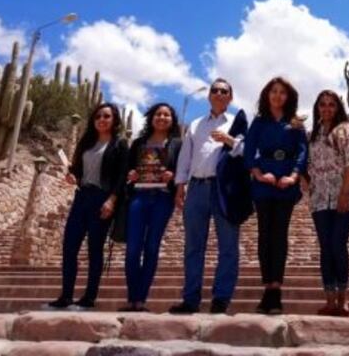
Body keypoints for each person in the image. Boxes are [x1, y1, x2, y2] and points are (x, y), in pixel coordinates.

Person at [168, 79, 246, 315]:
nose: (219, 94)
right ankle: (190, 298)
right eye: (215, 90)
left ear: (230, 97)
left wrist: (230, 141)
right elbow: (185, 156)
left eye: (225, 91)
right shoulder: (195, 124)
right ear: (209, 96)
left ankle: (221, 299)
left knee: (228, 245)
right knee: (193, 246)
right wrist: (180, 184)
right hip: (197, 188)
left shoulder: (237, 122)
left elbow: (247, 151)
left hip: (224, 189)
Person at [46, 102, 129, 310]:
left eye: (107, 116)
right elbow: (77, 169)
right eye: (98, 116)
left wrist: (112, 200)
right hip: (82, 197)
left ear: (114, 120)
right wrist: (72, 175)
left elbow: (121, 177)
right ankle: (66, 296)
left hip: (102, 199)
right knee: (69, 247)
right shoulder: (86, 142)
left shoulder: (119, 144)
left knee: (94, 250)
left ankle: (89, 297)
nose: (102, 119)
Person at [244, 76, 308, 315]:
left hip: (286, 183)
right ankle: (266, 287)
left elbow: (303, 152)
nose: (278, 95)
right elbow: (249, 149)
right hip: (264, 182)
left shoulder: (295, 124)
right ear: (267, 95)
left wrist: (293, 176)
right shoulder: (259, 122)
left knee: (280, 234)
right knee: (264, 234)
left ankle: (276, 289)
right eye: (274, 91)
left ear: (288, 97)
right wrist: (259, 174)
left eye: (282, 92)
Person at [120, 103, 182, 312]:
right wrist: (132, 174)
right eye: (158, 114)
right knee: (133, 248)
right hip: (139, 196)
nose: (162, 117)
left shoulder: (177, 144)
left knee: (152, 248)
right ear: (152, 117)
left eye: (166, 114)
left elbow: (182, 169)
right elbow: (128, 169)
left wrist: (172, 175)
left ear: (172, 119)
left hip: (163, 199)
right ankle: (131, 297)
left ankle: (141, 300)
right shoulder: (139, 143)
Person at [303, 90, 349, 316]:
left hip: (342, 196)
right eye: (322, 105)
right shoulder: (313, 134)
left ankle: (343, 298)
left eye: (331, 105)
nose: (327, 109)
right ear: (317, 107)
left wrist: (344, 193)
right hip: (319, 199)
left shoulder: (345, 130)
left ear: (338, 108)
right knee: (326, 248)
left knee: (338, 243)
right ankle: (329, 299)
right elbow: (305, 163)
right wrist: (309, 182)